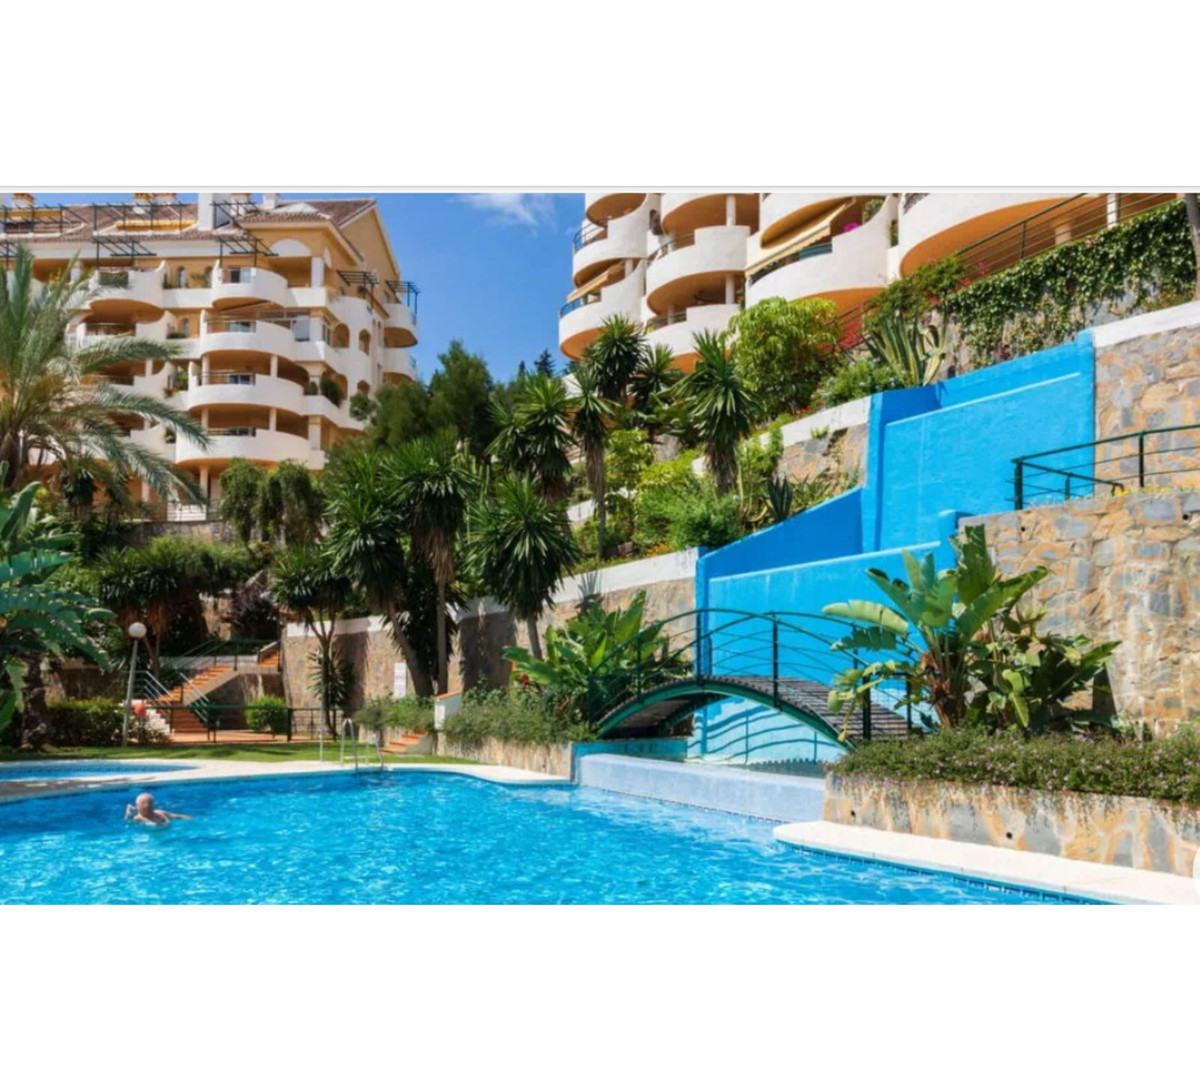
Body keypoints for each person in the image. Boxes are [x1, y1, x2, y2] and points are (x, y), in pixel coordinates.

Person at [124, 792, 190, 827]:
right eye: (145, 805)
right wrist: (129, 815)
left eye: (149, 804)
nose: (147, 806)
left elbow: (179, 816)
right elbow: (129, 822)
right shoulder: (138, 818)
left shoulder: (160, 813)